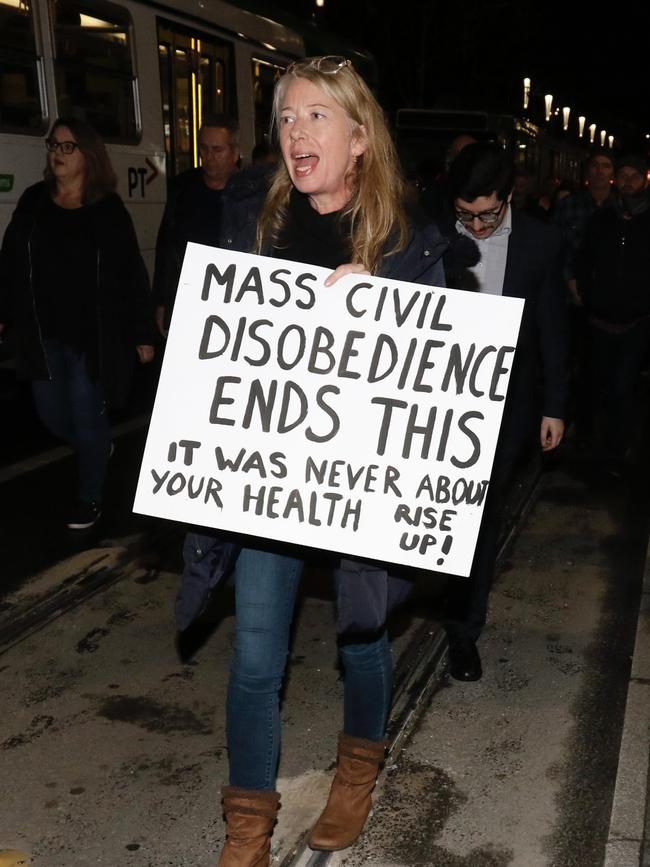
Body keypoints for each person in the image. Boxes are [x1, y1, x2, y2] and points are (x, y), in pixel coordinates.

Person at [179, 56, 447, 866]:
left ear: (359, 138)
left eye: (317, 117)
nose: (297, 133)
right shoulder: (252, 220)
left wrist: (387, 304)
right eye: (287, 118)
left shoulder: (406, 238)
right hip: (270, 484)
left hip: (357, 484)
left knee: (361, 635)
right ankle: (247, 830)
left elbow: (436, 377)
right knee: (256, 652)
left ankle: (357, 773)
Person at [442, 142, 569, 681]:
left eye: (488, 215)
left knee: (478, 518)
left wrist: (555, 405)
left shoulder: (541, 241)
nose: (476, 226)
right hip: (434, 398)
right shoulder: (431, 230)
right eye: (466, 215)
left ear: (510, 196)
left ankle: (463, 631)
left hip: (504, 405)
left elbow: (553, 327)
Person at [0, 117, 155, 530]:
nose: (57, 153)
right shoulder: (34, 201)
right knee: (51, 415)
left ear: (88, 155)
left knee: (87, 416)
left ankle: (89, 498)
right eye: (53, 145)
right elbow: (10, 261)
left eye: (67, 147)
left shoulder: (107, 209)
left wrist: (142, 333)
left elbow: (130, 273)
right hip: (43, 332)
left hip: (93, 337)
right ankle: (96, 446)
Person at [576, 154, 650, 476]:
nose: (628, 181)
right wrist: (589, 295)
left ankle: (619, 449)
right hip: (600, 318)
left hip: (637, 321)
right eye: (623, 175)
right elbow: (584, 260)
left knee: (623, 384)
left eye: (635, 175)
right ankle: (595, 445)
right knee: (598, 383)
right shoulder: (601, 219)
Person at [153, 114, 241, 334]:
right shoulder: (182, 188)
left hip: (232, 303)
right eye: (204, 148)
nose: (209, 157)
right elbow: (165, 246)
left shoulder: (250, 194)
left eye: (217, 150)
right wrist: (162, 301)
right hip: (187, 298)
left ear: (235, 153)